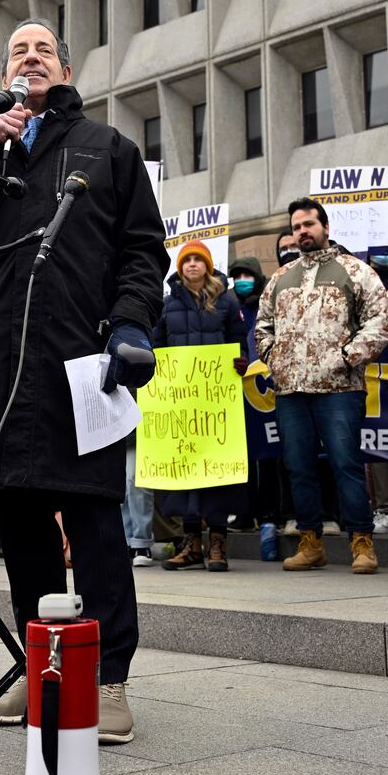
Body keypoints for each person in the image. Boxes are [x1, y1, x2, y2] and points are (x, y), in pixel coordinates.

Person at [0, 17, 167, 745]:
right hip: (3, 365)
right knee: (20, 525)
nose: (29, 58)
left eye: (42, 49)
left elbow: (144, 249)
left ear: (67, 67)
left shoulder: (108, 148)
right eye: (17, 51)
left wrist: (132, 321)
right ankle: (41, 662)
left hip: (80, 361)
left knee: (92, 521)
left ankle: (108, 676)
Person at [256, 198, 388, 575]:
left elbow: (381, 322)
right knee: (298, 468)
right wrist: (276, 358)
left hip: (340, 390)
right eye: (297, 226)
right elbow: (262, 327)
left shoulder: (356, 271)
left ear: (326, 228)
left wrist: (347, 356)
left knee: (346, 465)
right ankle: (310, 542)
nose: (302, 231)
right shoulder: (280, 278)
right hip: (291, 391)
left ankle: (361, 543)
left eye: (309, 225)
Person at [152, 240, 247, 571]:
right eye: (187, 260)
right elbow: (157, 345)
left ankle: (218, 544)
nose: (192, 264)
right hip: (181, 403)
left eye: (198, 259)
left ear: (207, 265)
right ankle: (191, 543)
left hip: (217, 403)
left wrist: (241, 362)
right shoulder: (167, 306)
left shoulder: (226, 301)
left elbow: (240, 342)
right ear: (180, 268)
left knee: (216, 471)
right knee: (186, 473)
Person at [228, 255, 281, 562]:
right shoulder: (234, 309)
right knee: (244, 457)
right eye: (237, 276)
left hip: (267, 394)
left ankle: (271, 512)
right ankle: (246, 511)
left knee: (270, 459)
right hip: (242, 394)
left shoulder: (267, 307)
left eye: (247, 275)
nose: (241, 280)